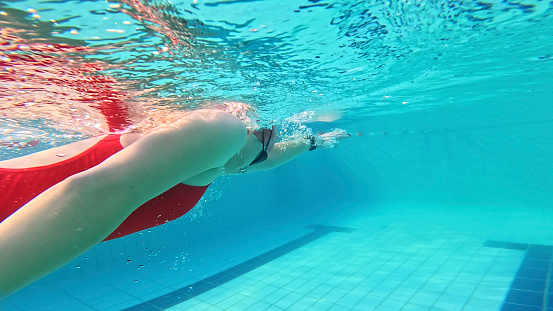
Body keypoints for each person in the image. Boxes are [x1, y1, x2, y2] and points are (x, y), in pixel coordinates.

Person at [0, 103, 350, 299]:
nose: (264, 154)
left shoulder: (200, 161)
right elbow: (90, 195)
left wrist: (314, 142)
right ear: (250, 128)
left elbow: (261, 160)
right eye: (265, 143)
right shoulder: (220, 128)